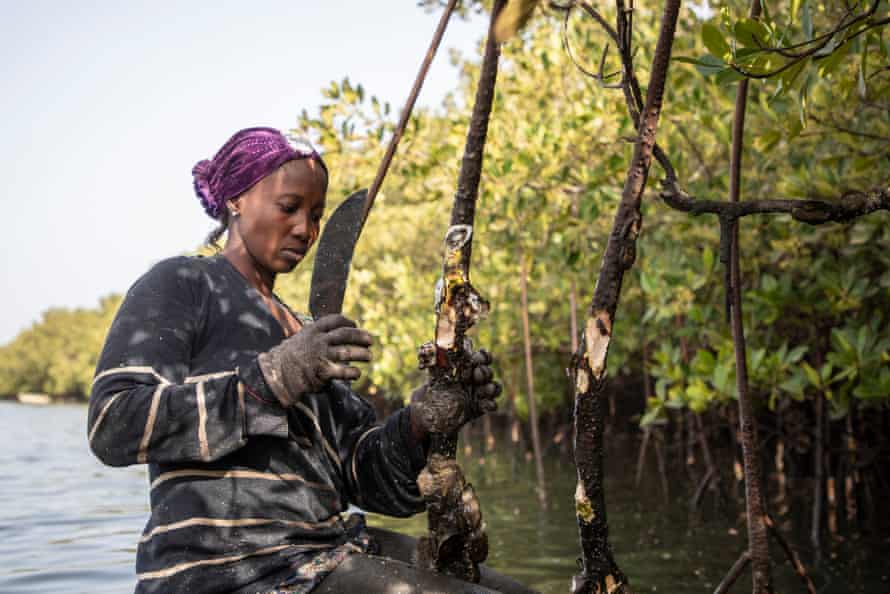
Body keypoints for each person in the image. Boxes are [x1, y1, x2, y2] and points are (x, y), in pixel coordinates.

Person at [87, 127, 502, 594]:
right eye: (289, 208)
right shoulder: (182, 283)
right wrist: (271, 379)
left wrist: (421, 424)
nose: (305, 230)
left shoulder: (307, 331)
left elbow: (361, 478)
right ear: (236, 200)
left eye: (316, 215)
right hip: (228, 572)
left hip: (327, 549)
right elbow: (112, 425)